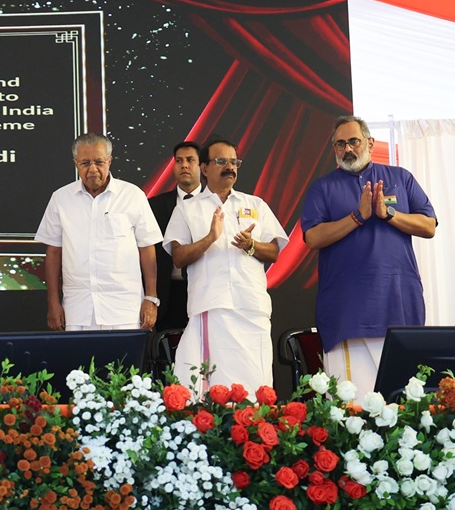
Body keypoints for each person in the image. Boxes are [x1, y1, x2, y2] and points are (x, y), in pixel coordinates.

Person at [301, 115, 436, 395]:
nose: (348, 149)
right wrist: (357, 217)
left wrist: (389, 215)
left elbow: (428, 225)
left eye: (353, 141)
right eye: (340, 144)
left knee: (404, 402)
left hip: (398, 302)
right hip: (347, 311)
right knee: (353, 407)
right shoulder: (323, 187)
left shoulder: (400, 177)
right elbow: (313, 237)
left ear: (370, 143)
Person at [163, 139, 288, 397]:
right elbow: (178, 256)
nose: (230, 167)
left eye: (234, 162)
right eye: (222, 162)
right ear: (205, 168)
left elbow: (274, 251)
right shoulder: (187, 208)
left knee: (256, 386)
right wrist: (210, 238)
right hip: (213, 306)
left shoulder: (255, 204)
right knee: (213, 389)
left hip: (252, 307)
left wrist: (252, 245)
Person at [35, 133, 162, 331]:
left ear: (109, 161)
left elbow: (147, 249)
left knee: (126, 363)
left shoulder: (132, 195)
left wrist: (151, 297)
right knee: (79, 362)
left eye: (99, 162)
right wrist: (53, 302)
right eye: (85, 163)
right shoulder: (61, 199)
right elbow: (53, 252)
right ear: (76, 163)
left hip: (125, 308)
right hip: (78, 309)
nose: (93, 169)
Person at [149, 141, 204, 332]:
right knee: (169, 355)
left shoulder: (216, 203)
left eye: (190, 160)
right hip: (168, 291)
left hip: (204, 290)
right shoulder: (154, 206)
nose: (184, 165)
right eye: (179, 160)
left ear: (202, 166)